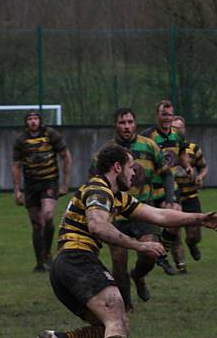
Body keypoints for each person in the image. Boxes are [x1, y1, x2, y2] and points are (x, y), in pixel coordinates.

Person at [38, 144, 217, 338]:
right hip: (77, 260)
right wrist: (140, 245)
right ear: (117, 167)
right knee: (116, 323)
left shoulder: (117, 197)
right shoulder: (98, 190)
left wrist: (198, 218)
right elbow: (98, 225)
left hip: (65, 267)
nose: (134, 173)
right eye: (131, 167)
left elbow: (159, 215)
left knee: (113, 327)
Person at [90, 108, 172, 309]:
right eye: (122, 122)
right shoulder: (105, 152)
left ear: (135, 124)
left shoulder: (149, 146)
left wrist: (171, 198)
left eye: (129, 122)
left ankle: (138, 276)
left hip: (142, 209)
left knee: (150, 254)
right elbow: (92, 180)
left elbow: (167, 173)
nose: (126, 126)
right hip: (116, 214)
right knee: (118, 260)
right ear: (115, 125)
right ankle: (126, 305)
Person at [12, 109, 72, 272]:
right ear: (26, 122)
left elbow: (65, 156)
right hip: (31, 185)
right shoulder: (21, 140)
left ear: (40, 120)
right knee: (37, 225)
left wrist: (65, 184)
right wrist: (17, 190)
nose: (33, 121)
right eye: (30, 119)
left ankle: (47, 254)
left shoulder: (50, 134)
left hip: (49, 182)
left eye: (35, 118)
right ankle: (39, 262)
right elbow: (16, 165)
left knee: (47, 215)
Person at [141, 100, 192, 275]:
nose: (167, 118)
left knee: (176, 219)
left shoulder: (177, 135)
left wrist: (187, 166)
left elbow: (183, 153)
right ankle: (160, 255)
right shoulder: (148, 136)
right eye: (164, 114)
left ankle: (162, 252)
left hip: (170, 186)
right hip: (150, 188)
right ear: (157, 115)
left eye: (170, 115)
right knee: (153, 229)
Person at [170, 115, 209, 273]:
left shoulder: (193, 149)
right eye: (174, 128)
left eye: (180, 128)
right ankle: (181, 266)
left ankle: (192, 244)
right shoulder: (165, 150)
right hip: (173, 197)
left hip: (191, 197)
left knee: (194, 235)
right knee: (174, 232)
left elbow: (204, 167)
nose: (177, 131)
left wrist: (199, 176)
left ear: (184, 129)